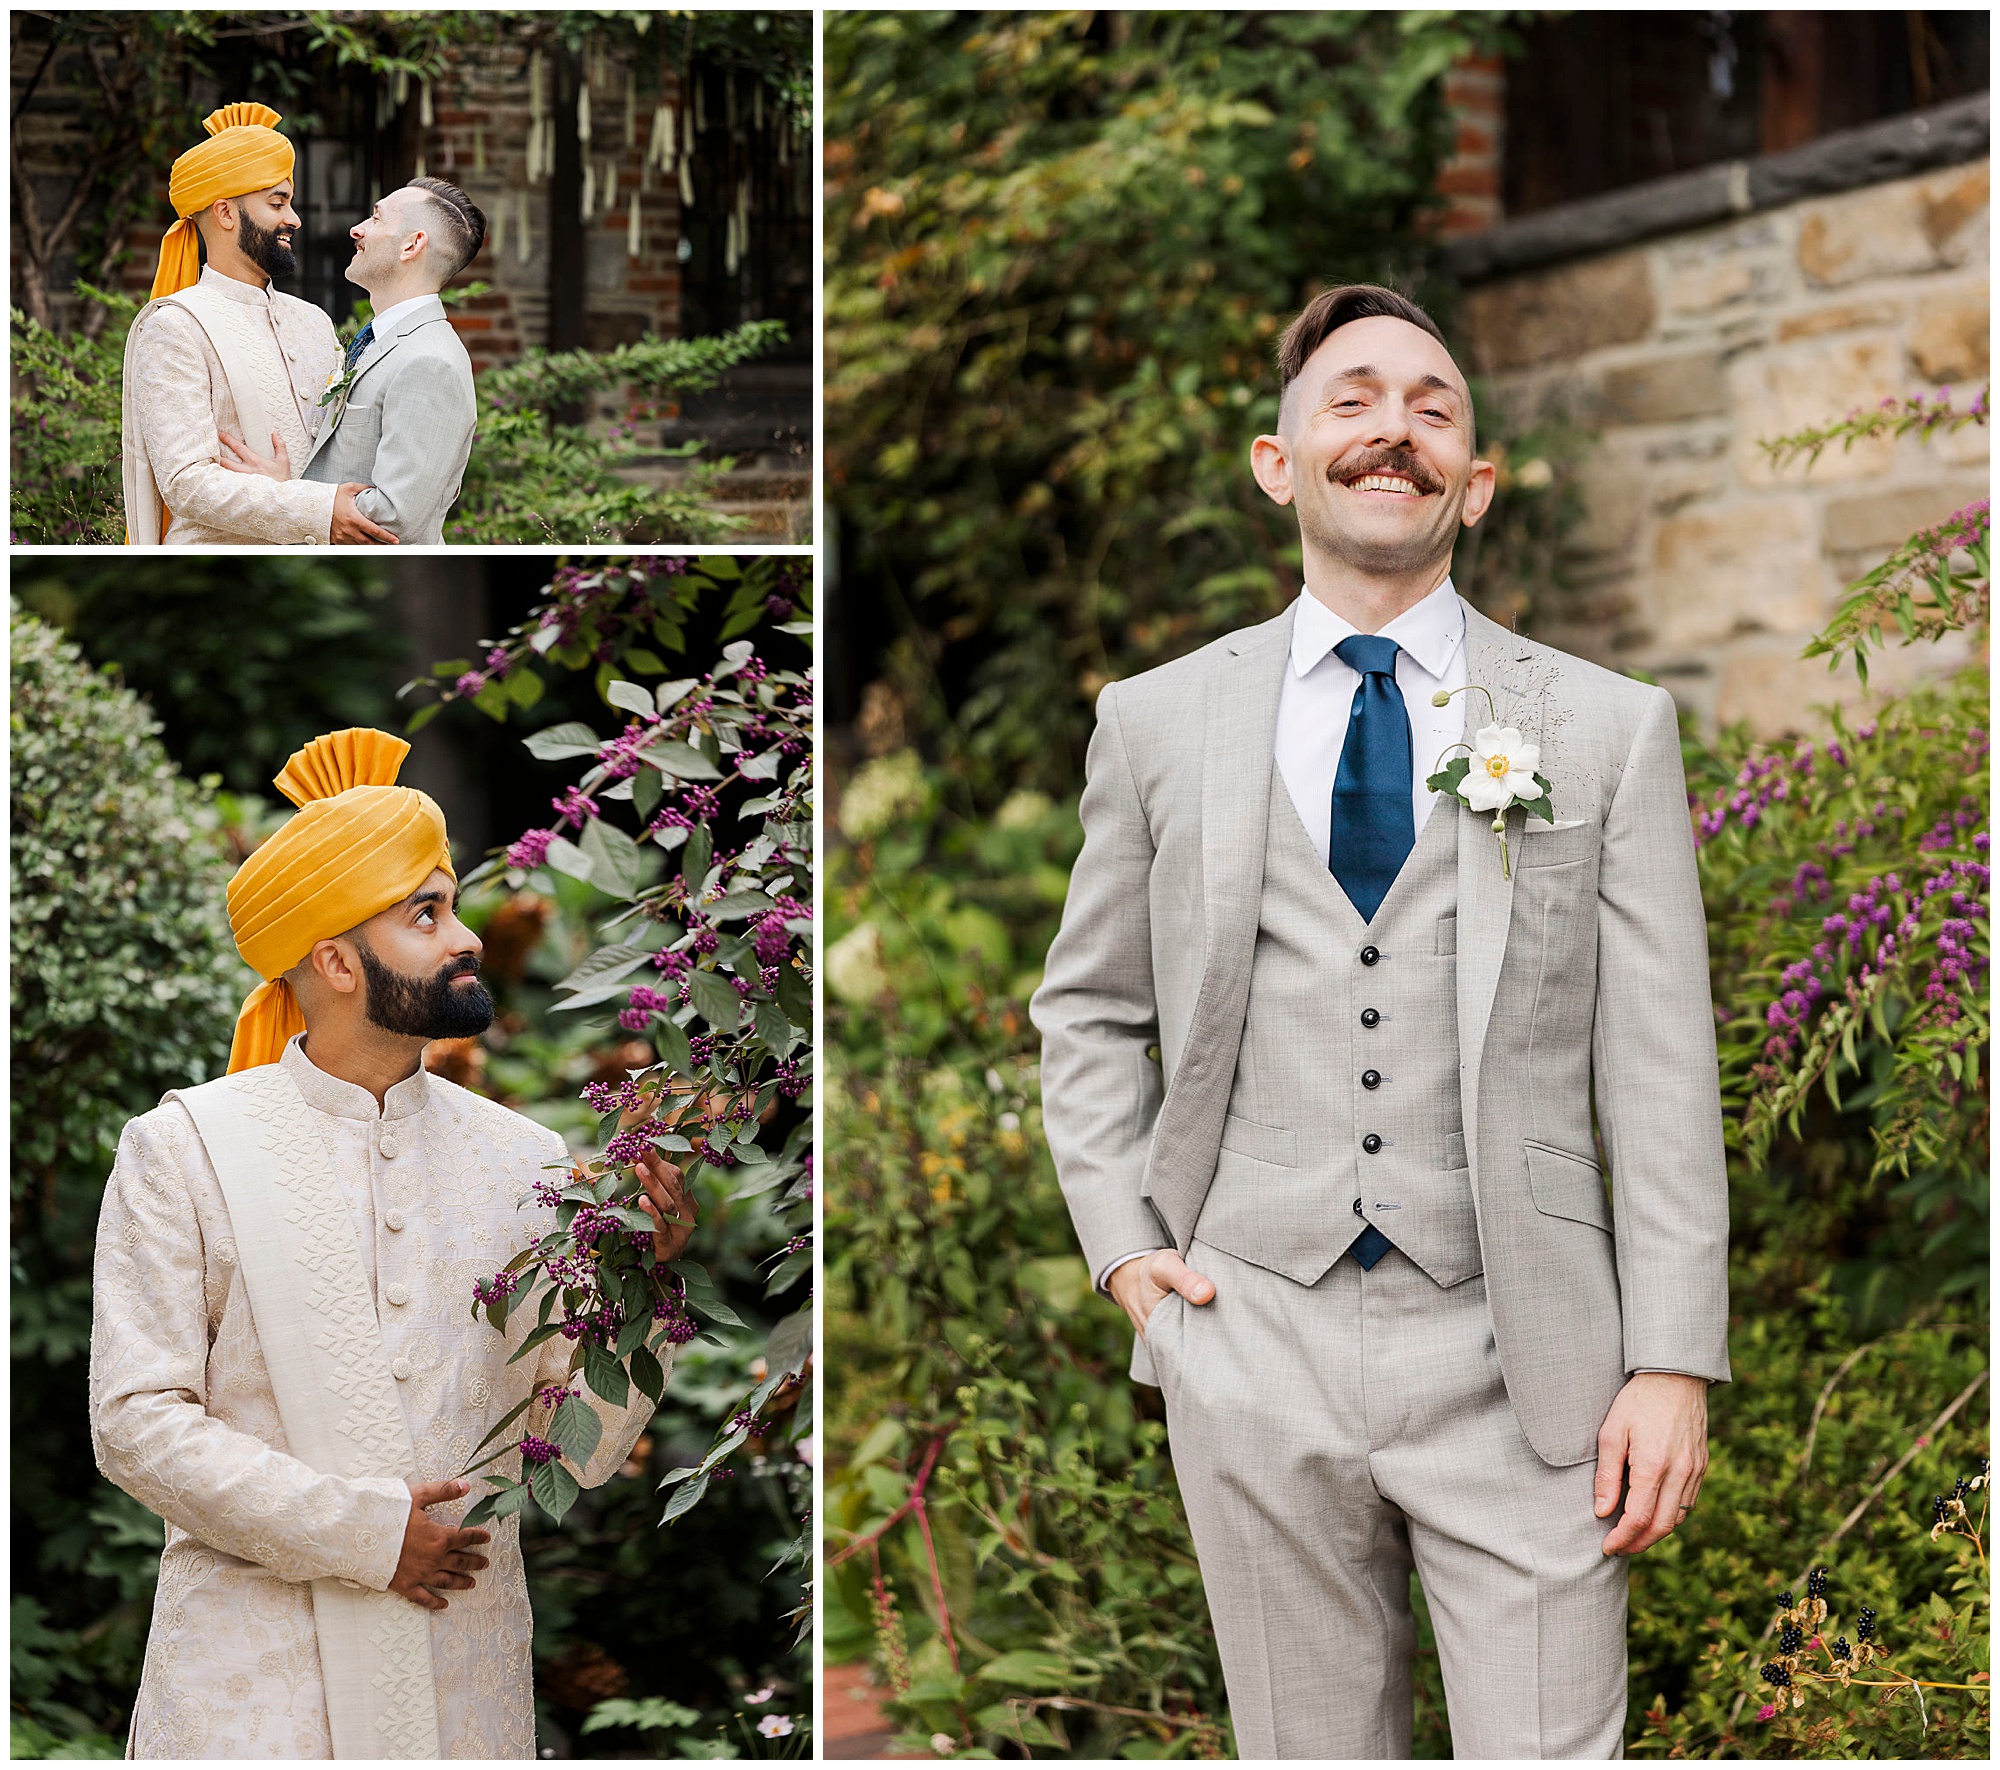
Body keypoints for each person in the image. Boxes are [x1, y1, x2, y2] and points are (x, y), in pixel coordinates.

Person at [1029, 285, 1730, 1759]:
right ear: (1280, 463)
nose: (1391, 429)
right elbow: (1089, 1006)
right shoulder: (1153, 721)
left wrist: (1670, 1357)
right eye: (1350, 398)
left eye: (1432, 406)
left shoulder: (1603, 726)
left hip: (1529, 1355)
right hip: (1251, 1334)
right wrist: (1125, 1252)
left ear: (1472, 483)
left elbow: (1659, 1061)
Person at [89, 729, 694, 1758]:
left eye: (451, 904)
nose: (464, 936)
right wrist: (369, 1535)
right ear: (331, 959)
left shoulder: (528, 1159)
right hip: (248, 1694)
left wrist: (646, 1276)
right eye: (426, 913)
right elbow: (137, 1424)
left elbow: (579, 1453)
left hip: (464, 1686)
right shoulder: (184, 1148)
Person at [119, 103, 394, 547]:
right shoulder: (174, 327)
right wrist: (306, 505)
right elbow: (187, 481)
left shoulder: (314, 322)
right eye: (277, 202)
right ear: (226, 213)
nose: (295, 219)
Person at [223, 179, 483, 544]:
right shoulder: (384, 342)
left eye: (376, 218)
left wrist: (285, 496)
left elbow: (395, 519)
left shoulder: (431, 361)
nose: (356, 229)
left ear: (412, 245)